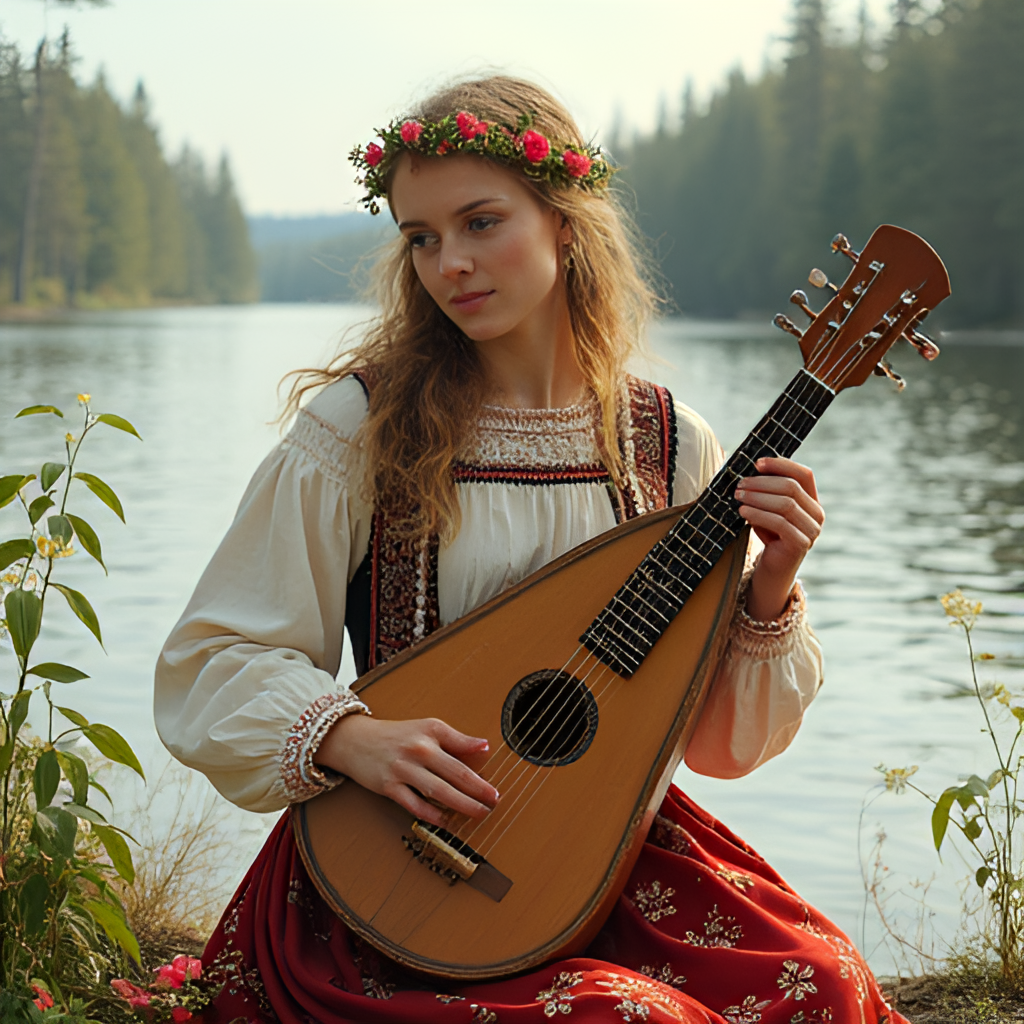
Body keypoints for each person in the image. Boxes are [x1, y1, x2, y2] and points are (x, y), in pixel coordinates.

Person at [155, 76, 903, 1024]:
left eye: (479, 222)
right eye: (420, 237)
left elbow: (712, 746)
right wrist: (352, 736)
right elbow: (212, 656)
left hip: (601, 852)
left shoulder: (668, 445)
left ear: (564, 221)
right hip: (391, 876)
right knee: (627, 1018)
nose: (449, 264)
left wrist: (771, 588)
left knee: (827, 983)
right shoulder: (362, 427)